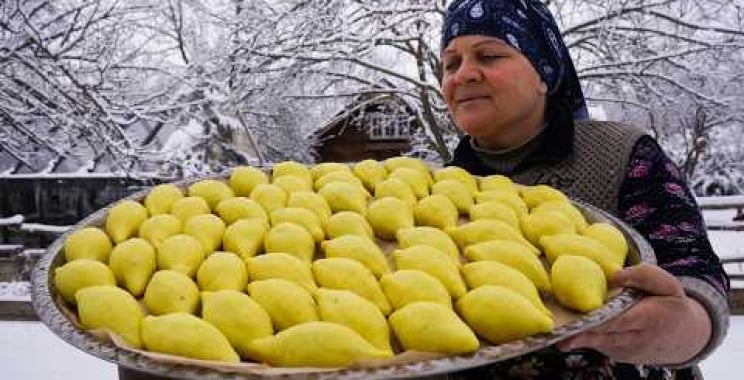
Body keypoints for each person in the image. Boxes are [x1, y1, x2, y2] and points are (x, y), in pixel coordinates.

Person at [439, 0, 730, 379]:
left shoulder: (620, 153)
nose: (463, 75)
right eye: (450, 63)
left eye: (489, 55)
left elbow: (693, 270)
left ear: (544, 72)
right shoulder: (437, 191)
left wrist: (682, 325)